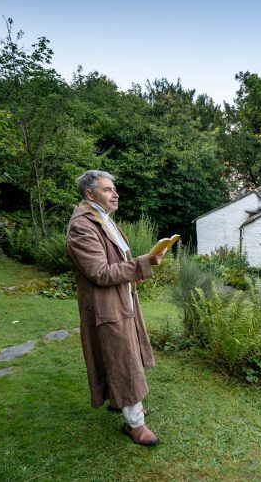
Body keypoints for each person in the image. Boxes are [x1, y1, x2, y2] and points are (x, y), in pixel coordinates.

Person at [66, 170, 166, 446]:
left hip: (121, 299)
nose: (115, 193)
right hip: (105, 305)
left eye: (114, 188)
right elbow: (99, 272)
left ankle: (122, 403)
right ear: (90, 194)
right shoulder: (82, 226)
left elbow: (116, 259)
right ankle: (135, 424)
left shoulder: (102, 220)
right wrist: (145, 262)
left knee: (123, 354)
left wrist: (143, 263)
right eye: (108, 189)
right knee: (123, 360)